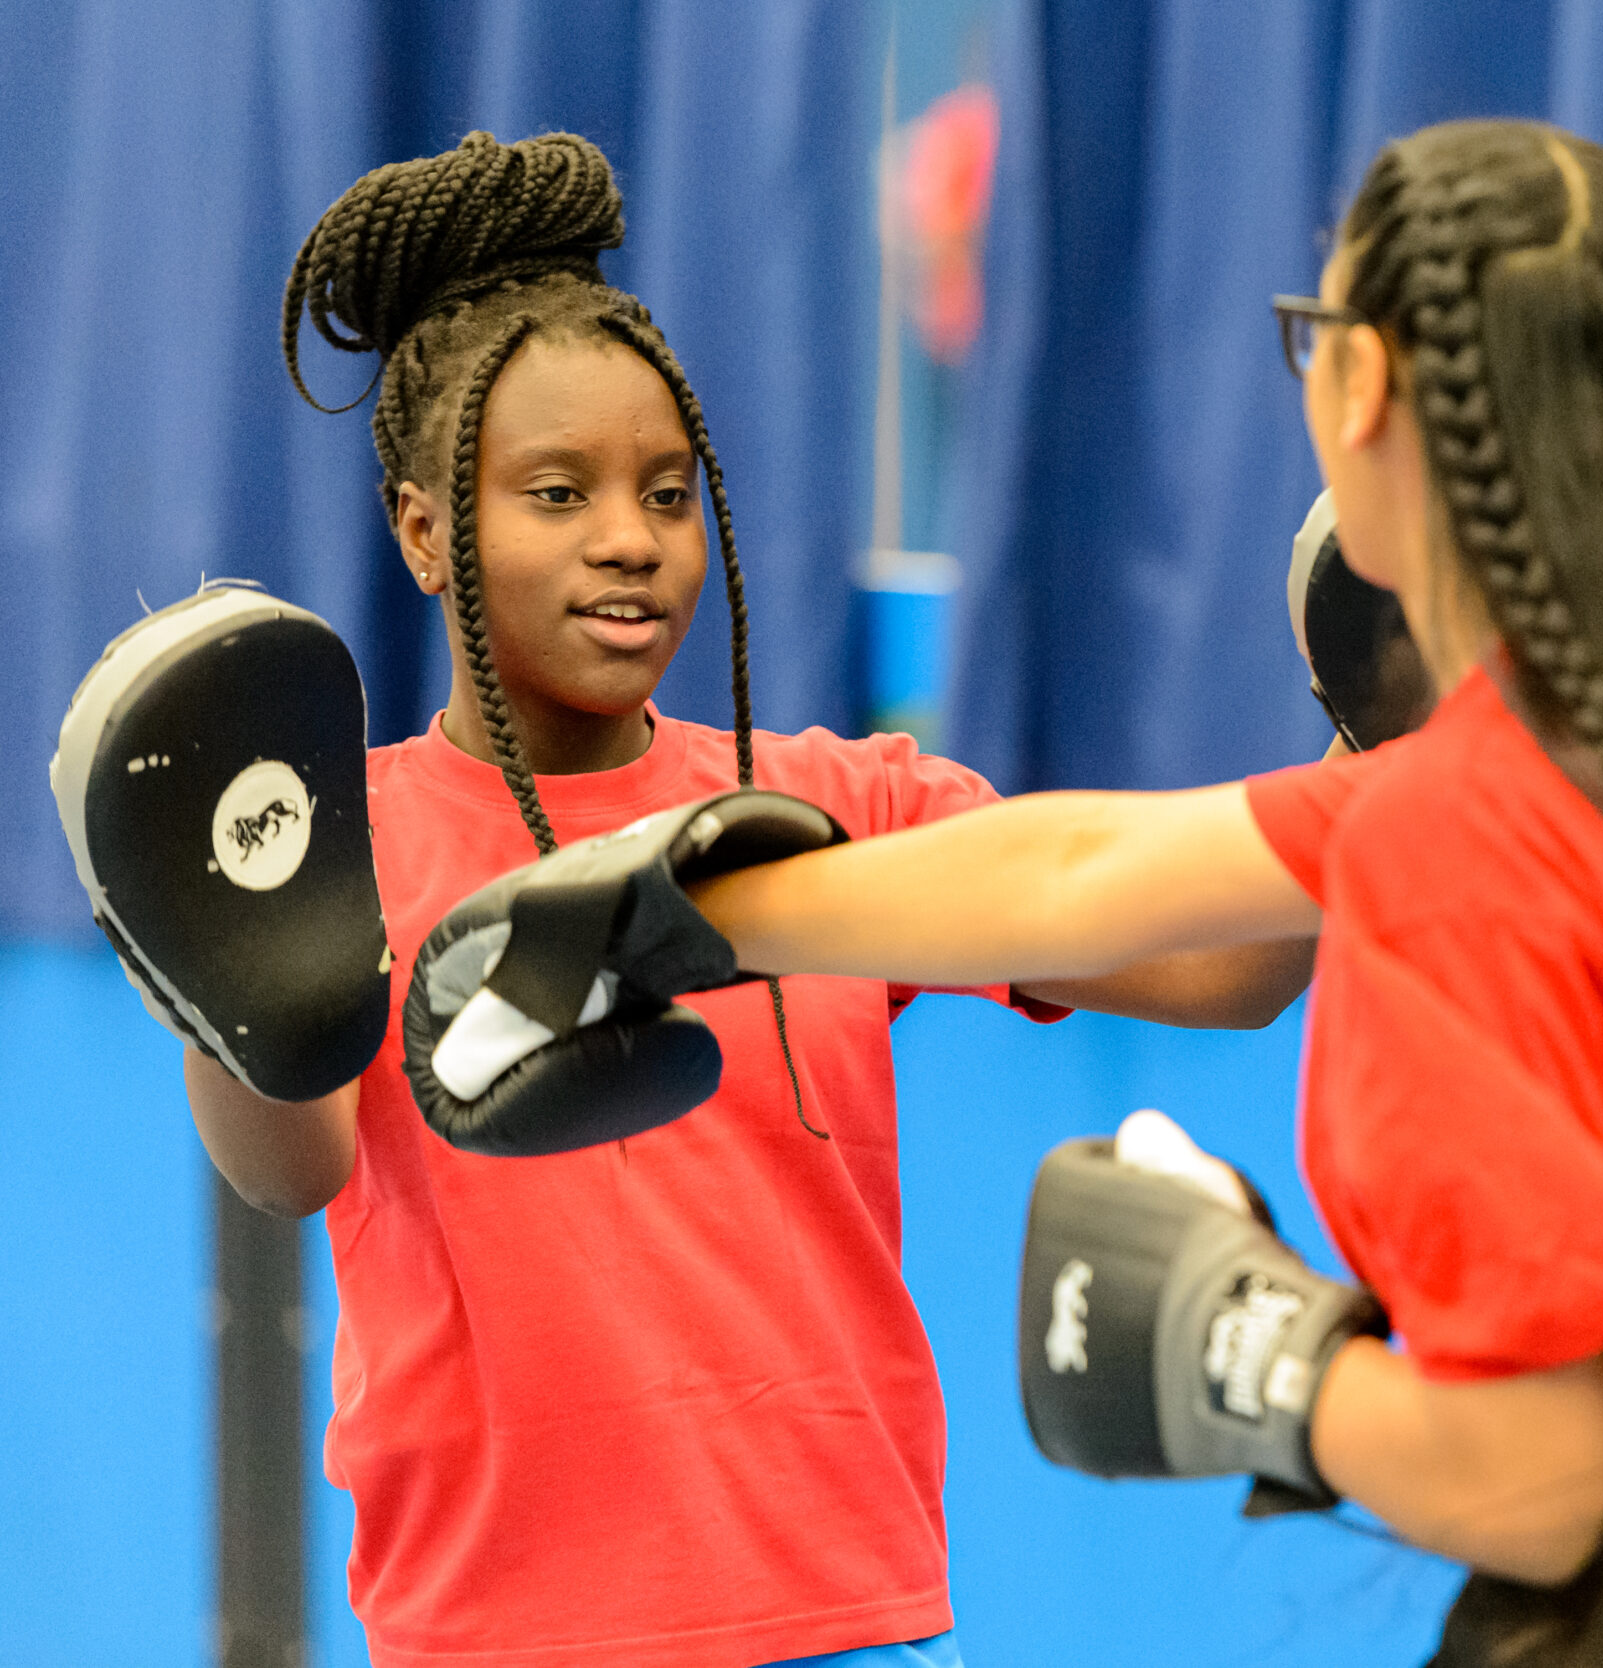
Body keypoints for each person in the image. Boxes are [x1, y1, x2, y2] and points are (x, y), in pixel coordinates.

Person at [495, 121, 1603, 1665]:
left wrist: (1261, 1353)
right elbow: (1084, 871)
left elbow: (1536, 1482)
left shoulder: (1454, 841)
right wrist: (684, 922)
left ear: (1367, 391)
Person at [179, 131, 1313, 1668]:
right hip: (498, 1637)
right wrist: (208, 950)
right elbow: (290, 1170)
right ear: (425, 531)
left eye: (664, 490)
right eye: (558, 492)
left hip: (854, 1623)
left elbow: (1226, 967)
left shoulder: (839, 812)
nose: (629, 541)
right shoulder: (341, 840)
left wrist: (1387, 743)